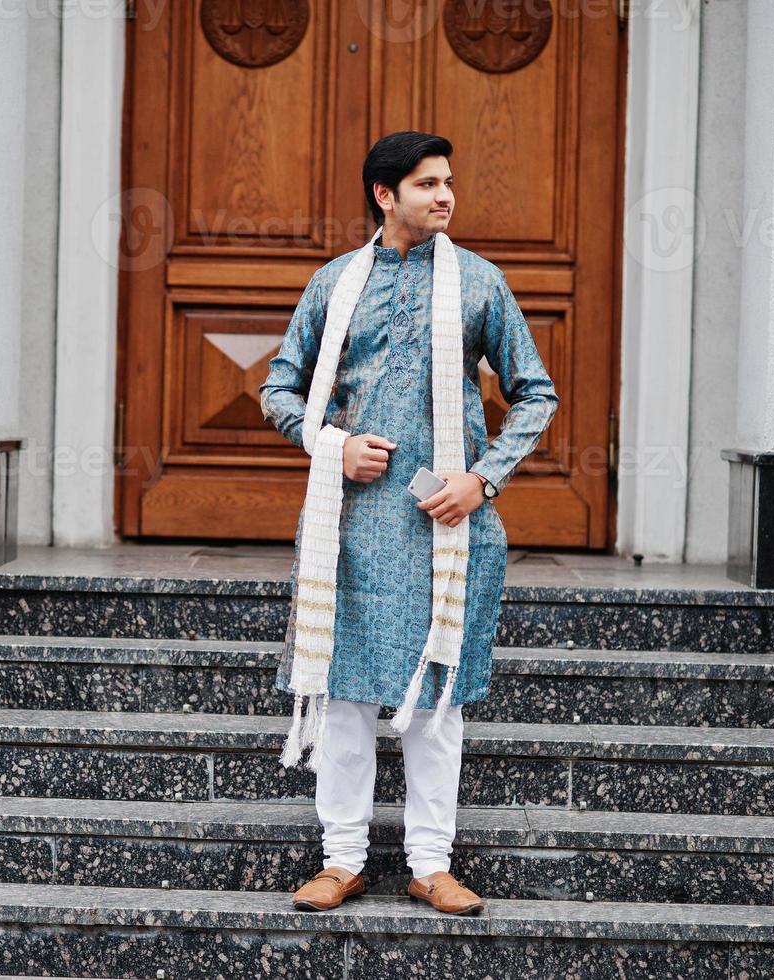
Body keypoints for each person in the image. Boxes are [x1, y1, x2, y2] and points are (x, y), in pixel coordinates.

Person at [258, 131, 558, 914]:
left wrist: (481, 480)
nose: (445, 195)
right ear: (384, 196)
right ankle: (341, 859)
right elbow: (280, 389)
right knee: (346, 696)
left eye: (448, 181)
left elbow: (536, 394)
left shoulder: (480, 283)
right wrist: (333, 444)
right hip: (351, 527)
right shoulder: (334, 284)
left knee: (436, 702)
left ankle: (431, 864)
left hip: (447, 527)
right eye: (426, 184)